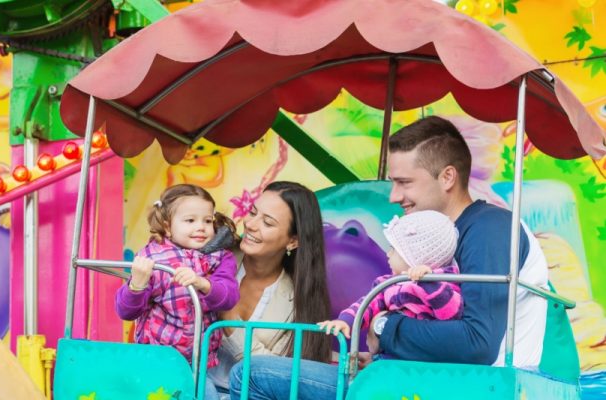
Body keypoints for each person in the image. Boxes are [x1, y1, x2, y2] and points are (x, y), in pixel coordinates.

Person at [228, 116, 549, 399]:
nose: (394, 196)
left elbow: (478, 343)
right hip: (424, 376)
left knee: (252, 375)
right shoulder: (447, 236)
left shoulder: (489, 228)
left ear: (448, 177)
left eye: (404, 183)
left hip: (469, 386)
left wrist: (383, 328)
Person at [205, 181, 333, 399]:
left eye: (268, 222)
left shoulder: (299, 304)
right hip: (191, 384)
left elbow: (273, 373)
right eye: (253, 212)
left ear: (293, 241)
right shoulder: (212, 258)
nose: (251, 224)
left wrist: (231, 321)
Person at [115, 184, 240, 371]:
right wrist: (136, 286)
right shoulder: (153, 258)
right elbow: (126, 312)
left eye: (207, 221)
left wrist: (203, 283)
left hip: (201, 363)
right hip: (158, 361)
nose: (201, 227)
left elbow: (229, 298)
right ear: (167, 226)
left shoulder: (220, 257)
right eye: (190, 220)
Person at [318, 210, 463, 356]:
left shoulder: (443, 284)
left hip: (423, 363)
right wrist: (346, 321)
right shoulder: (389, 284)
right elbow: (367, 304)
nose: (388, 254)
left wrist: (429, 282)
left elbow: (451, 314)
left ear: (413, 257)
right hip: (391, 358)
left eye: (393, 250)